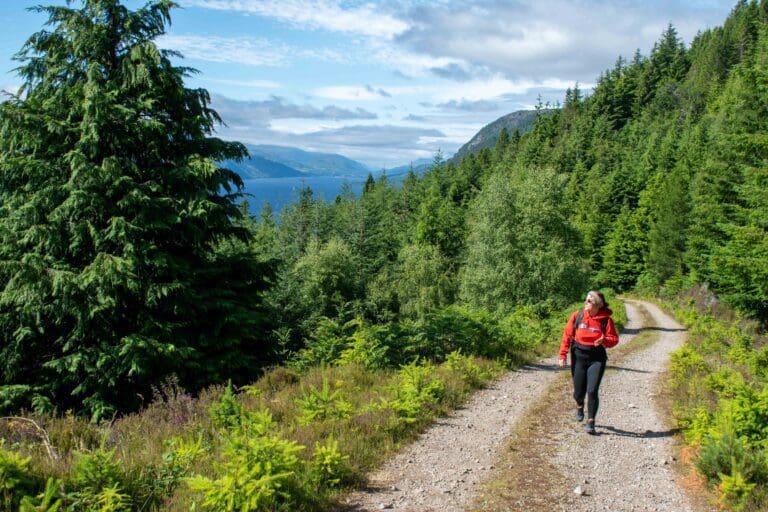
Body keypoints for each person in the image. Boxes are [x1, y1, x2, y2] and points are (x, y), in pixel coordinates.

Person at [558, 290, 619, 434]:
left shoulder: (606, 320)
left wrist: (604, 340)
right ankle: (579, 406)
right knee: (579, 392)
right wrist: (562, 354)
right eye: (586, 299)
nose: (586, 302)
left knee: (592, 390)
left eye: (589, 301)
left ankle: (591, 421)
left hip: (597, 358)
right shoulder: (577, 315)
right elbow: (567, 334)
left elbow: (614, 339)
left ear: (598, 305)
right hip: (578, 356)